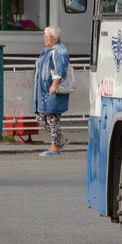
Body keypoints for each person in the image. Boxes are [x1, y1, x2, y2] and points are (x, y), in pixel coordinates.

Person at [34, 25, 71, 156]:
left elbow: (60, 70)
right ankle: (60, 138)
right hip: (44, 90)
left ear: (56, 38)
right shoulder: (48, 50)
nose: (45, 39)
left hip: (52, 90)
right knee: (41, 117)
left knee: (52, 118)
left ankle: (55, 147)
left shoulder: (60, 51)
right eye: (44, 36)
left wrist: (54, 85)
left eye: (48, 37)